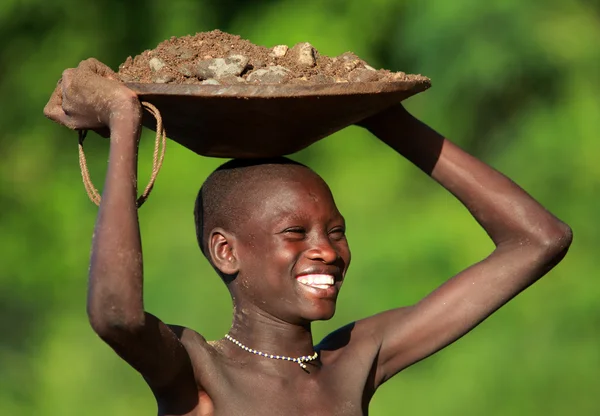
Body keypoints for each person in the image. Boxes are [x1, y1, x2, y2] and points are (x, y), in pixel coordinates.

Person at [44, 58, 572, 416]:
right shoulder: (198, 370)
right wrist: (124, 119)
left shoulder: (359, 357)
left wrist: (384, 119)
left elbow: (539, 239)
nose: (327, 250)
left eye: (336, 231)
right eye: (295, 233)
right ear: (226, 251)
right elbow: (117, 315)